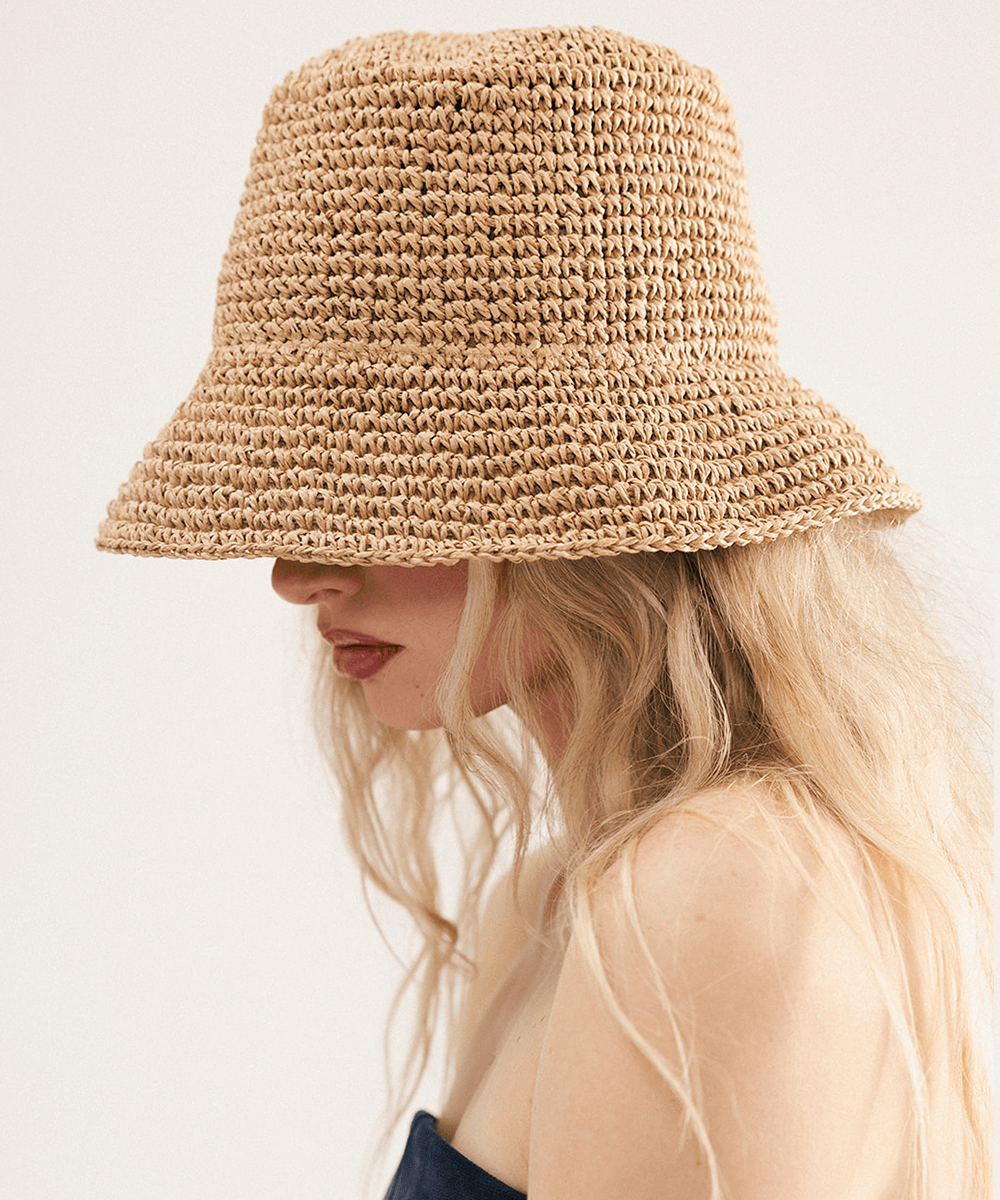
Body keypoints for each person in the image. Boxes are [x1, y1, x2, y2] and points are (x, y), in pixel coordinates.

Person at [96, 26, 991, 1200]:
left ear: (595, 498)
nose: (296, 573)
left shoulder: (710, 892)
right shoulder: (560, 902)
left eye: (378, 483)